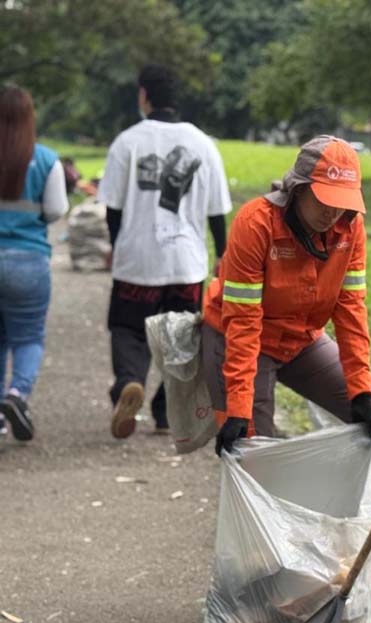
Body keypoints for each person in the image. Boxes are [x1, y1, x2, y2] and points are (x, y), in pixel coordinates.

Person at [201, 136, 371, 570]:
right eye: (325, 200)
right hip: (240, 339)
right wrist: (238, 406)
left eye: (343, 202)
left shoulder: (349, 229)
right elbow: (242, 321)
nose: (333, 212)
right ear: (298, 188)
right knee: (253, 446)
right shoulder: (255, 223)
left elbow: (351, 311)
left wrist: (359, 390)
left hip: (300, 337)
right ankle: (259, 566)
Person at [97, 64, 231, 439]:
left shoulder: (127, 142)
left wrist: (117, 245)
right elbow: (217, 211)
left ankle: (129, 381)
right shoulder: (203, 144)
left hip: (137, 261)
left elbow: (112, 208)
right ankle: (165, 413)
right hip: (185, 264)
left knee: (128, 329)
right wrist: (221, 253)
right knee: (180, 340)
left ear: (144, 95)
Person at [0, 84, 70, 441]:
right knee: (28, 336)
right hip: (27, 262)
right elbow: (57, 209)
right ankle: (17, 394)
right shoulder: (45, 159)